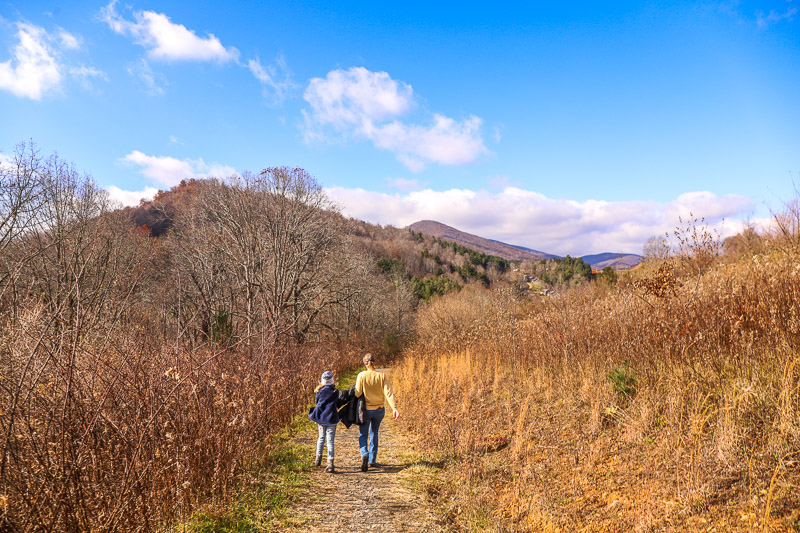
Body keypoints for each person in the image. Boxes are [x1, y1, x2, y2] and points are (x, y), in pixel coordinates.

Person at [354, 353, 399, 471]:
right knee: (374, 433)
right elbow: (388, 393)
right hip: (379, 410)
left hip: (366, 411)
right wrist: (394, 408)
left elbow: (357, 393)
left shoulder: (361, 376)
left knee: (363, 434)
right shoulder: (382, 376)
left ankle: (364, 453)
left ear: (364, 363)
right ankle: (372, 460)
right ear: (374, 362)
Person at [308, 370, 340, 473]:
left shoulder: (319, 391)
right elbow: (337, 403)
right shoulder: (335, 392)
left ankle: (318, 458)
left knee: (321, 438)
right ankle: (330, 462)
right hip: (332, 419)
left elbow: (317, 402)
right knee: (330, 440)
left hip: (321, 418)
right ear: (332, 380)